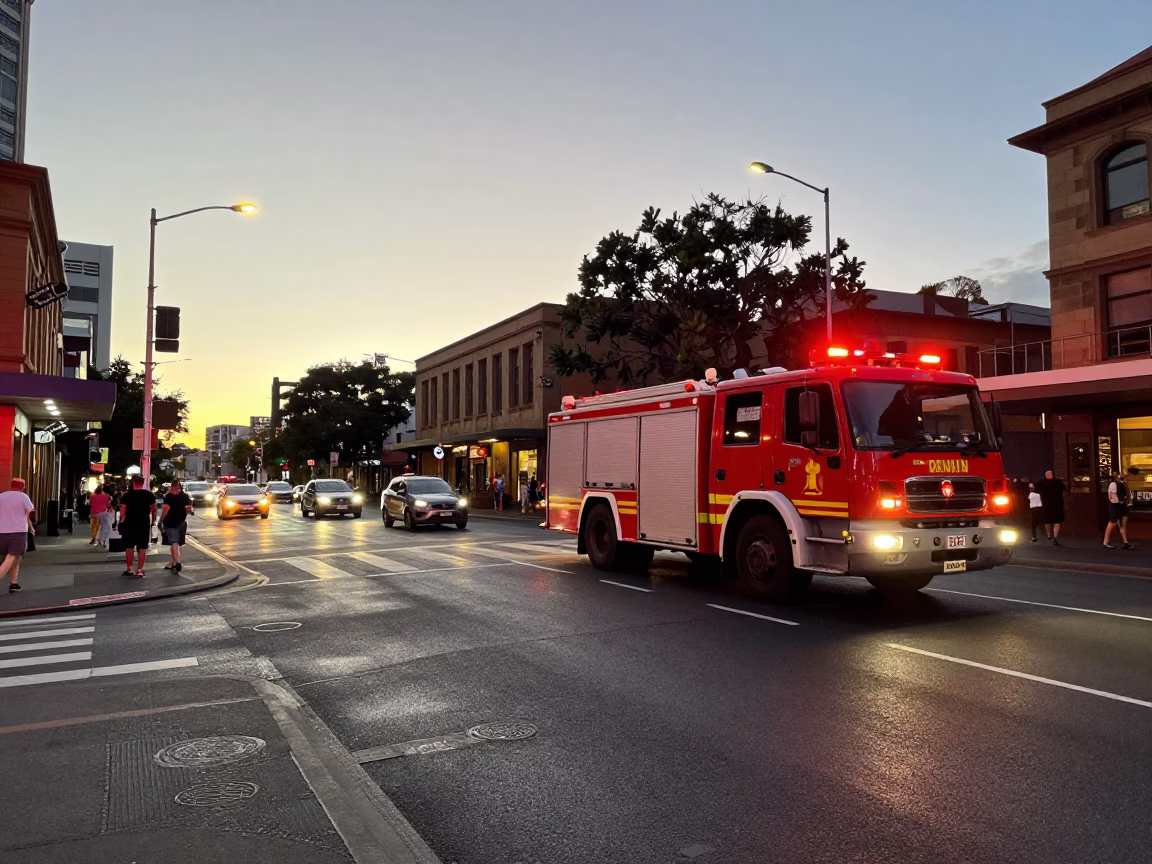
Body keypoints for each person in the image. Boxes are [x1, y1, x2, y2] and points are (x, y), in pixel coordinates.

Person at [0, 478, 35, 593]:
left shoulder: (2, 496)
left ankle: (14, 583)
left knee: (16, 557)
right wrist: (31, 528)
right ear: (22, 487)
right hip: (18, 531)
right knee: (12, 557)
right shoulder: (24, 497)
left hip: (2, 531)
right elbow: (29, 514)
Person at [118, 475, 156, 578]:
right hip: (143, 522)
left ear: (133, 482)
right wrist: (153, 521)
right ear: (143, 483)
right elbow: (154, 509)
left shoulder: (126, 496)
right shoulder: (149, 495)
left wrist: (120, 522)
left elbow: (122, 512)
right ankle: (139, 570)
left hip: (129, 522)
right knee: (142, 547)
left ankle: (130, 568)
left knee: (129, 546)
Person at [160, 480, 194, 572]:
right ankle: (173, 562)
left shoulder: (169, 497)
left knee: (173, 542)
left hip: (170, 522)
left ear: (171, 486)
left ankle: (177, 562)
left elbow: (165, 510)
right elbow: (188, 510)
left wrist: (161, 521)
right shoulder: (185, 496)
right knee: (176, 544)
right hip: (181, 522)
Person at [1103, 470, 1134, 550]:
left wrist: (1125, 502)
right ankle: (1106, 542)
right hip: (1115, 505)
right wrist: (1118, 502)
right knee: (1113, 522)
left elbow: (1126, 494)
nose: (1125, 475)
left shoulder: (1123, 483)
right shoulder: (1113, 484)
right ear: (1117, 475)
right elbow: (1112, 496)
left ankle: (1126, 542)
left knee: (1123, 523)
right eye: (1122, 474)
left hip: (1123, 505)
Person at [1035, 469, 1067, 545]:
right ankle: (1054, 537)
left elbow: (1036, 490)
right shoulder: (1058, 482)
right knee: (1057, 522)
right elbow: (1065, 488)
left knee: (1047, 521)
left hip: (1047, 504)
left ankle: (1049, 535)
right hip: (1057, 505)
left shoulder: (1041, 482)